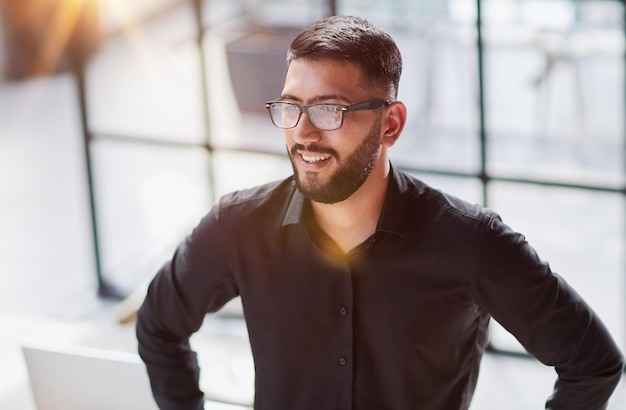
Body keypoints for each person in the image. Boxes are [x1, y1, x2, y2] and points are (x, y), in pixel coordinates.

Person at [136, 15, 624, 410]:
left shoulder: (473, 243)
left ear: (390, 124)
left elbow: (592, 362)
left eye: (330, 110)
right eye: (290, 107)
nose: (303, 133)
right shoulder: (237, 226)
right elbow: (158, 325)